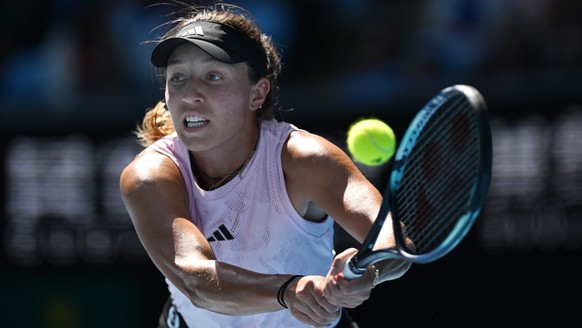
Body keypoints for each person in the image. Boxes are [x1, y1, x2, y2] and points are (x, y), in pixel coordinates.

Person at [119, 3, 413, 327]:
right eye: (177, 78)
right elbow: (196, 280)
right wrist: (289, 290)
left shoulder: (304, 159)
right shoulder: (150, 176)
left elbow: (392, 239)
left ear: (257, 94)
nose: (190, 94)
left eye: (213, 76)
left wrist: (369, 271)